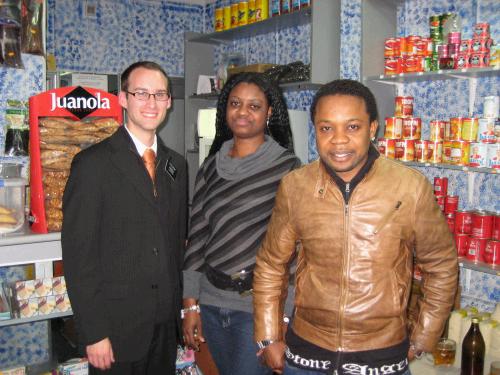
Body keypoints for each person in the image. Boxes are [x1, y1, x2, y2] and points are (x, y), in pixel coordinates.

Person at [253, 79, 458, 375]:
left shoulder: (410, 188)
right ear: (316, 130)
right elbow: (271, 264)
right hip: (307, 353)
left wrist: (425, 335)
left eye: (352, 127)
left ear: (372, 128)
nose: (338, 140)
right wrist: (268, 335)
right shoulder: (296, 186)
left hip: (381, 355)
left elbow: (442, 266)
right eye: (326, 128)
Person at [62, 61, 187, 374]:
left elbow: (175, 243)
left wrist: (181, 314)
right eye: (141, 93)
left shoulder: (176, 166)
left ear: (169, 102)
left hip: (164, 328)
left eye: (160, 95)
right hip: (115, 331)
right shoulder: (93, 165)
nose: (151, 103)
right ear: (123, 98)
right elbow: (79, 257)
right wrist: (94, 332)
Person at [182, 72, 301, 375]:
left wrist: (283, 317)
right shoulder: (210, 167)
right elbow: (197, 238)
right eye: (235, 103)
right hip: (210, 302)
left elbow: (295, 248)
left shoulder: (287, 168)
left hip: (258, 307)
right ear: (225, 109)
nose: (243, 112)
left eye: (254, 106)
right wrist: (190, 305)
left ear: (270, 112)